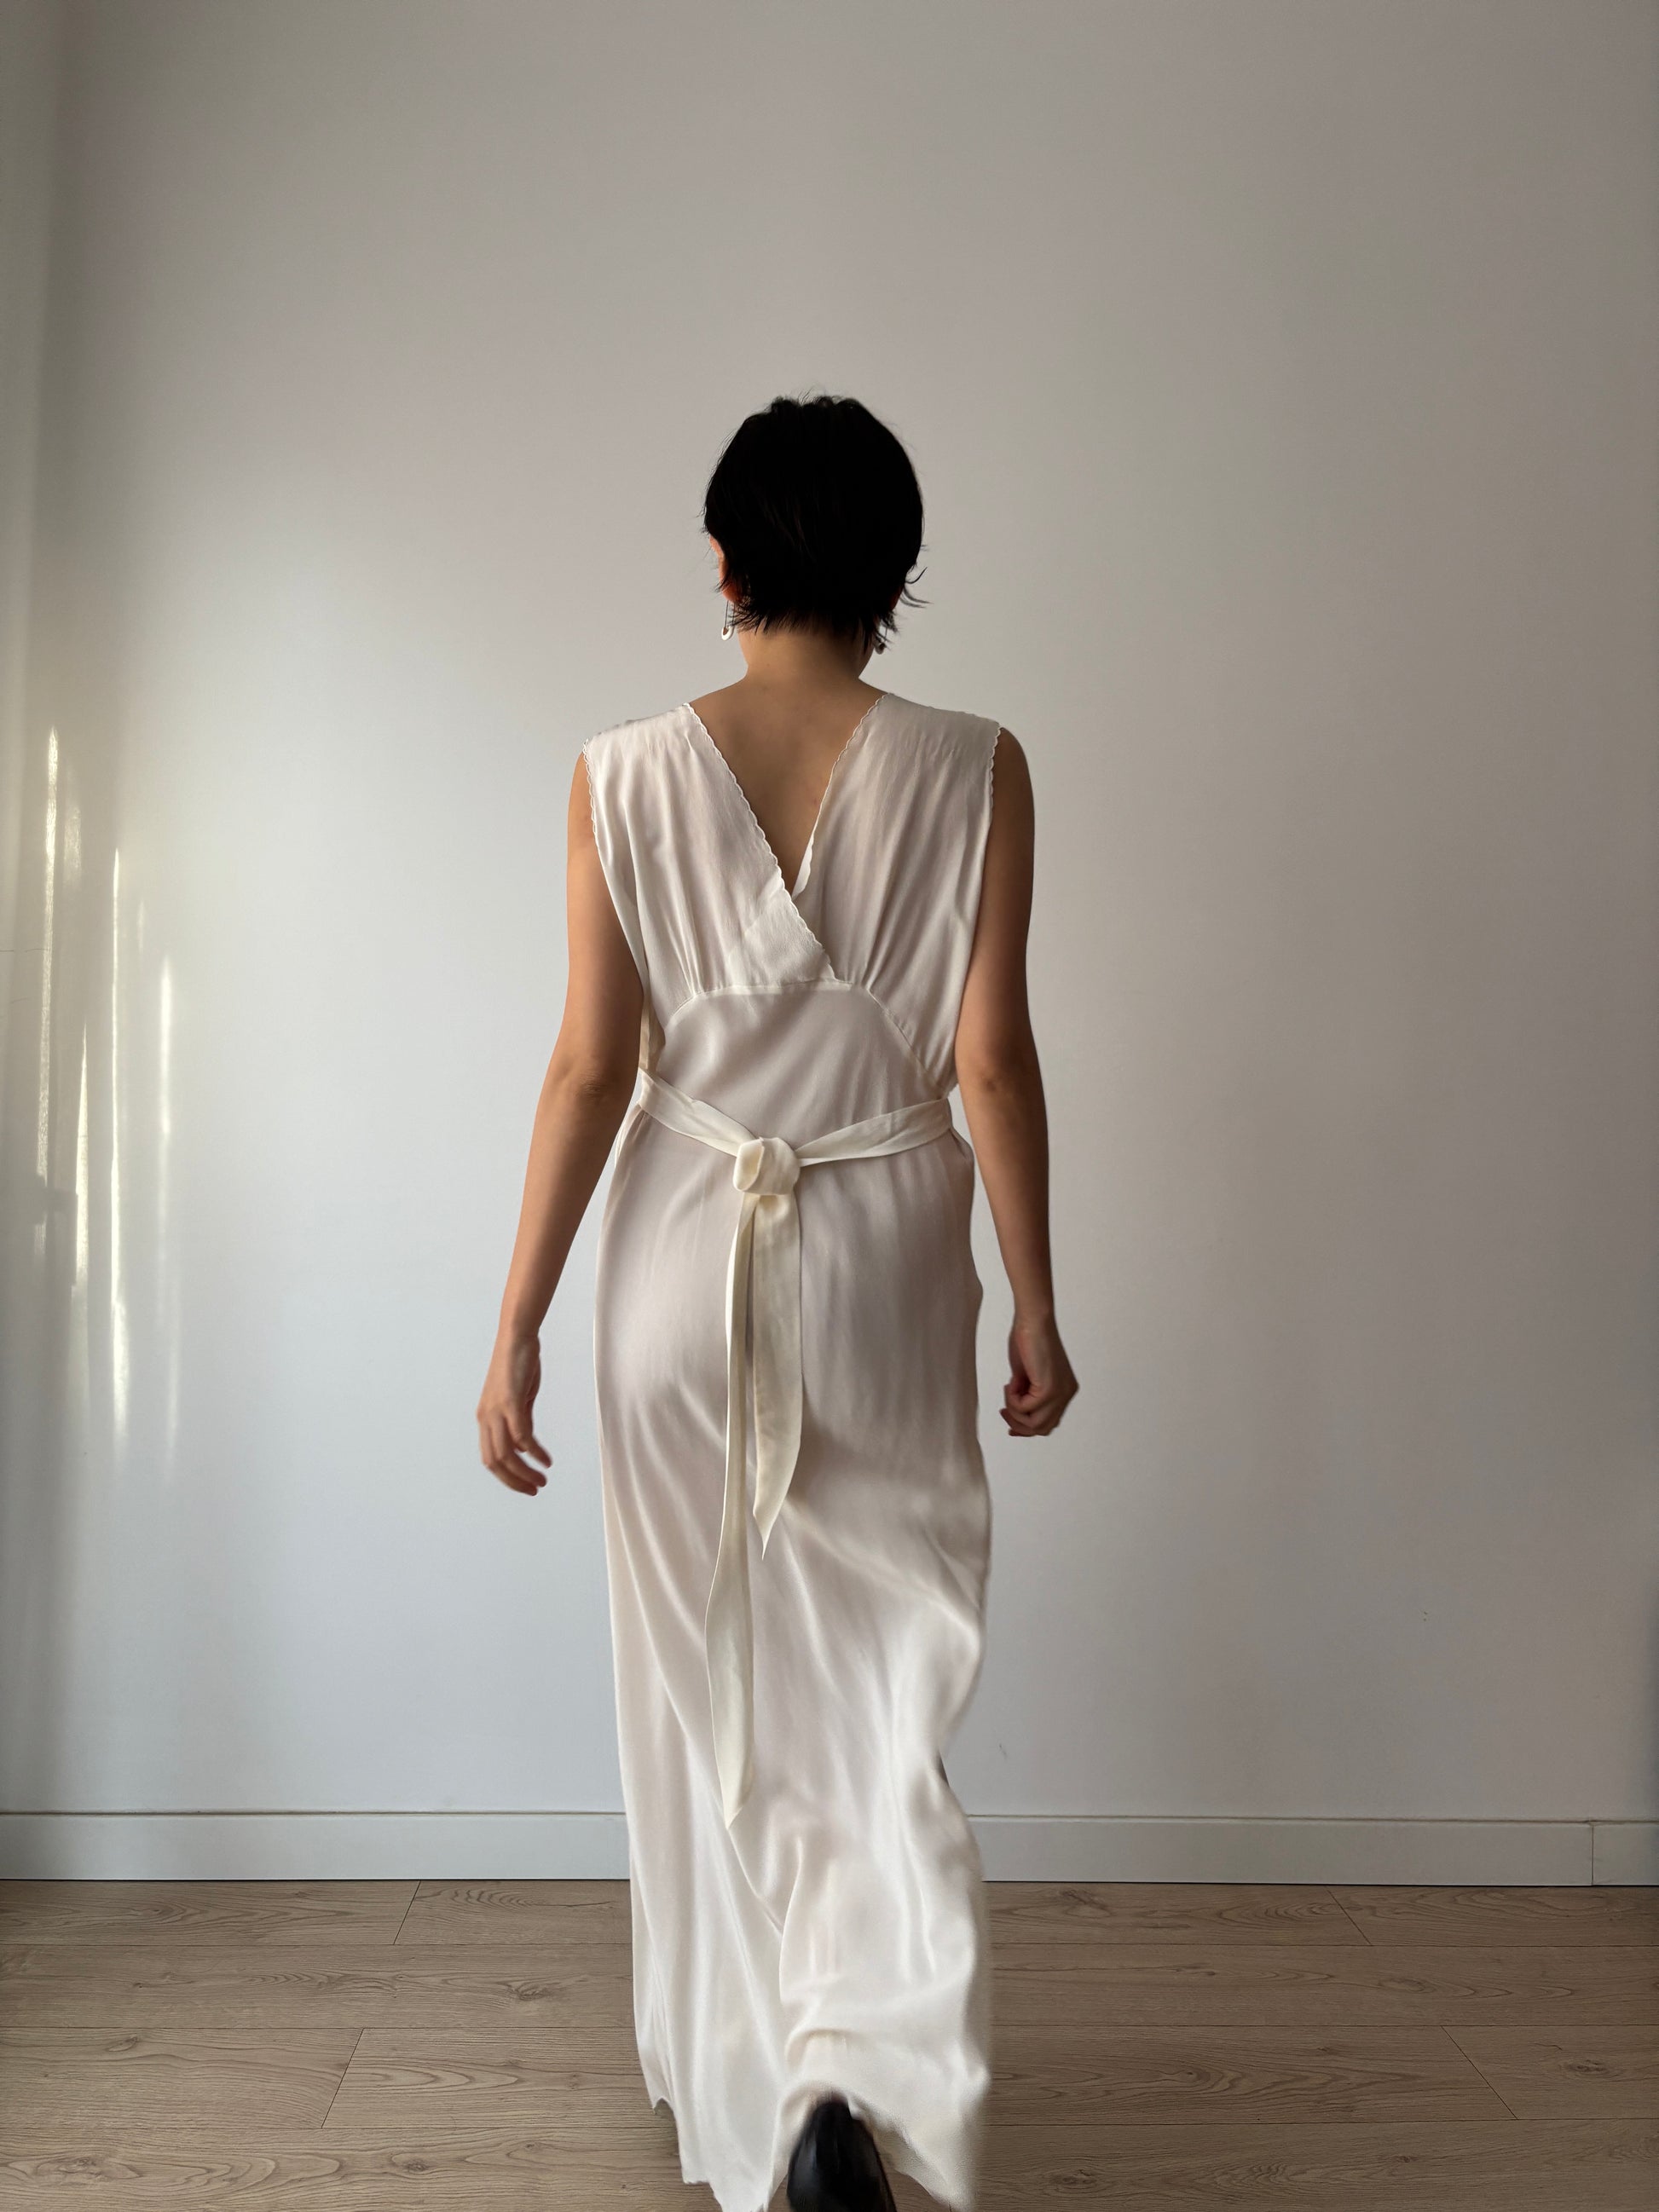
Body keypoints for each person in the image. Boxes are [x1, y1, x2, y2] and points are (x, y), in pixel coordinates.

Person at [477, 393, 1078, 2212]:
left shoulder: (619, 773)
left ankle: (762, 2087)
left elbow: (590, 1068)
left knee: (701, 1683)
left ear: (725, 559)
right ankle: (851, 2068)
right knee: (879, 1682)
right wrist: (1036, 1298)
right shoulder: (979, 765)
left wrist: (515, 1319)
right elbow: (991, 1059)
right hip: (882, 1259)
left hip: (677, 1261)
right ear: (894, 570)